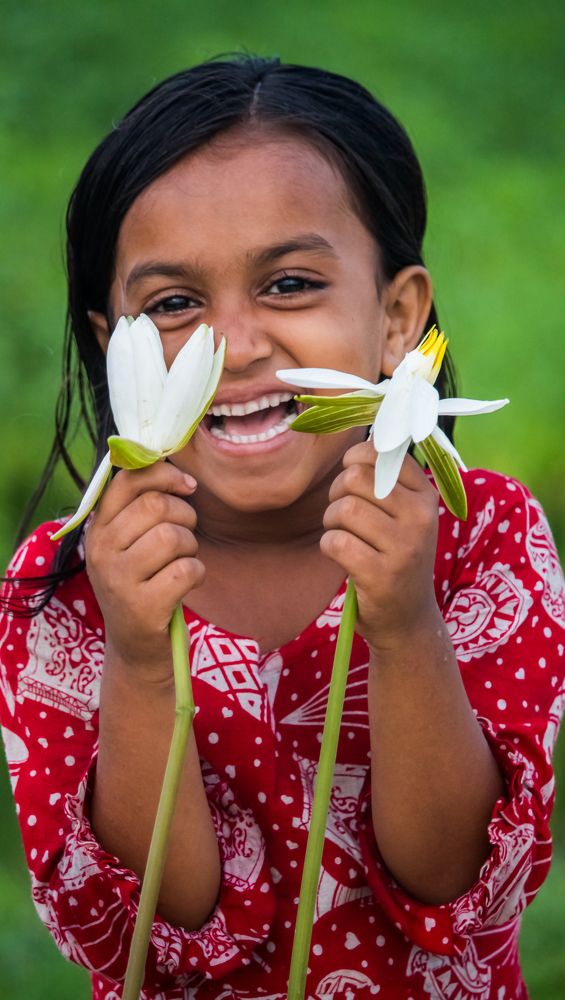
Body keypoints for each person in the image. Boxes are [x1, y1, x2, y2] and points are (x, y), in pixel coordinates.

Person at [0, 54, 563, 1000]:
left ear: (395, 319)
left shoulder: (485, 538)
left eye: (290, 284)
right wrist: (139, 655)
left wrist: (405, 625)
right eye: (174, 306)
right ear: (118, 348)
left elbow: (451, 878)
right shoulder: (66, 582)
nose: (238, 346)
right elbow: (157, 920)